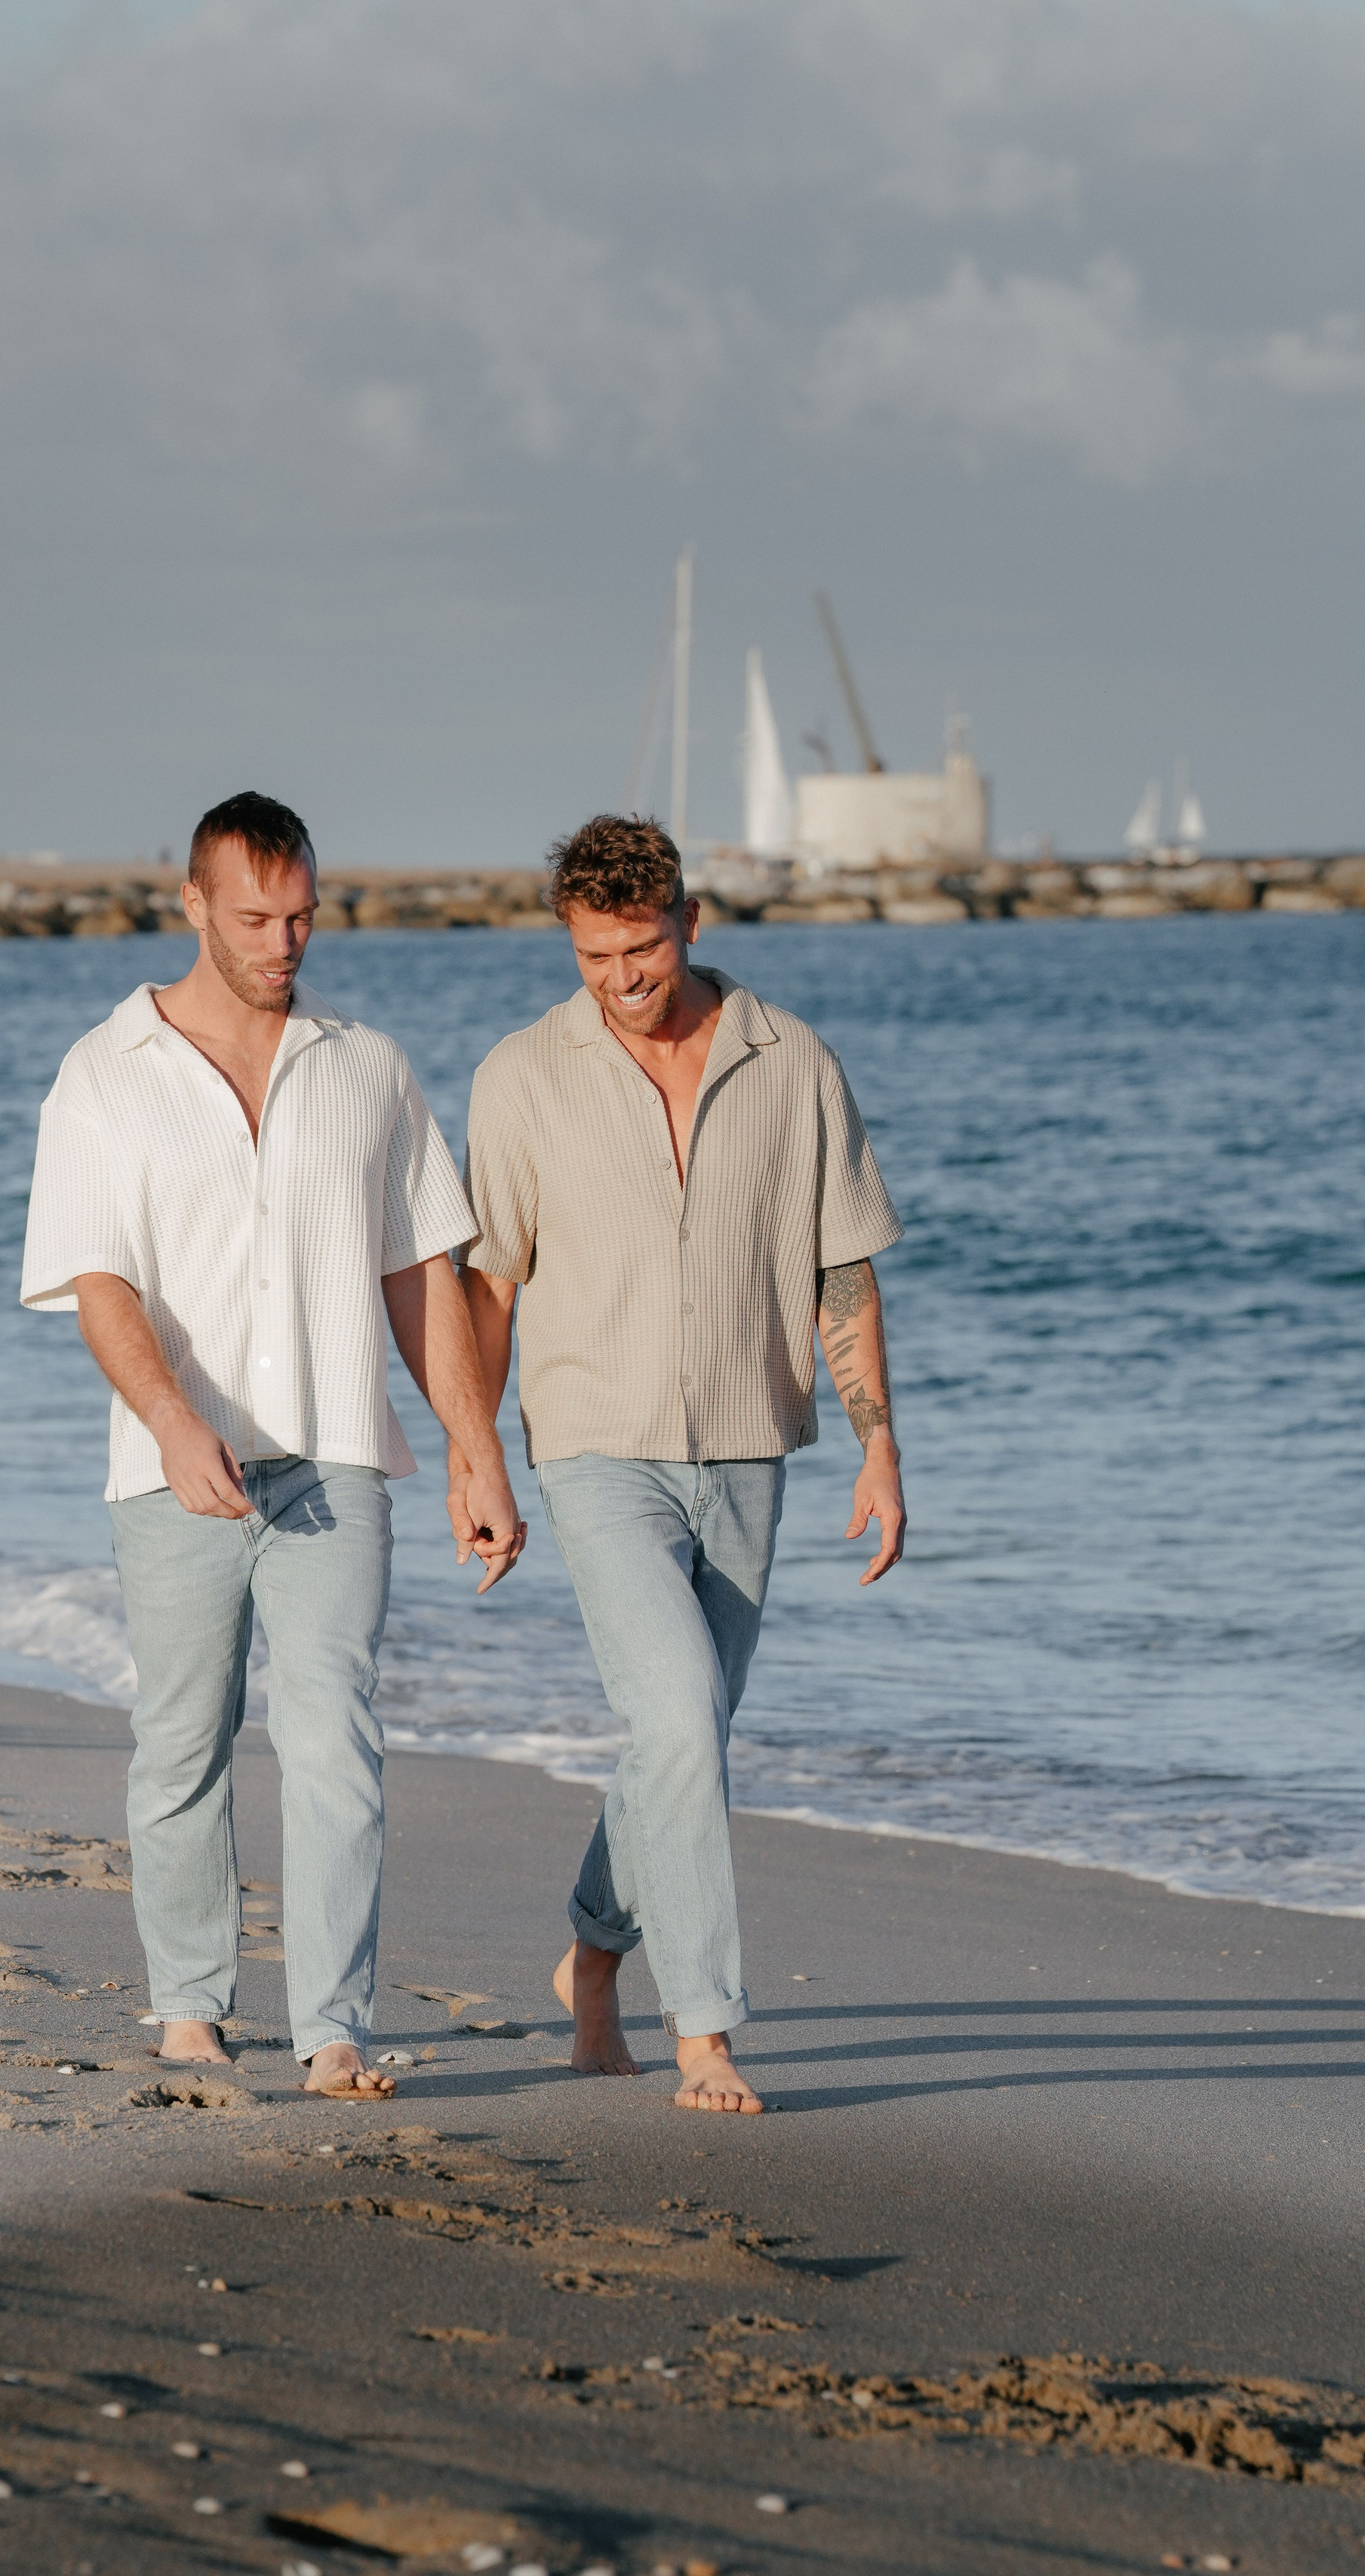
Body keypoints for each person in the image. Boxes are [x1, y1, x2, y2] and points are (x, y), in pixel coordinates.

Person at [21, 791, 522, 2099]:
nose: (285, 940)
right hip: (175, 1469)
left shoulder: (369, 1068)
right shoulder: (104, 1074)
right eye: (256, 916)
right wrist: (176, 1423)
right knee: (183, 1737)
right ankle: (189, 2006)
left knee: (334, 1737)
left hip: (336, 1456)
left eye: (302, 914)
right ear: (192, 904)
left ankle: (333, 2024)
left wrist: (475, 1447)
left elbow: (423, 1274)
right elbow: (98, 1283)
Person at [451, 814, 904, 2113]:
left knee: (684, 1732)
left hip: (755, 1442)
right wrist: (472, 1456)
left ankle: (591, 1955)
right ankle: (703, 2026)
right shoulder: (522, 1077)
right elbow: (490, 1285)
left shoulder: (792, 1059)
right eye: (595, 955)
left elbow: (842, 1265)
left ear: (690, 924)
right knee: (675, 1712)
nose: (622, 979)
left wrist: (880, 1447)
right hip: (597, 1447)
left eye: (642, 948)